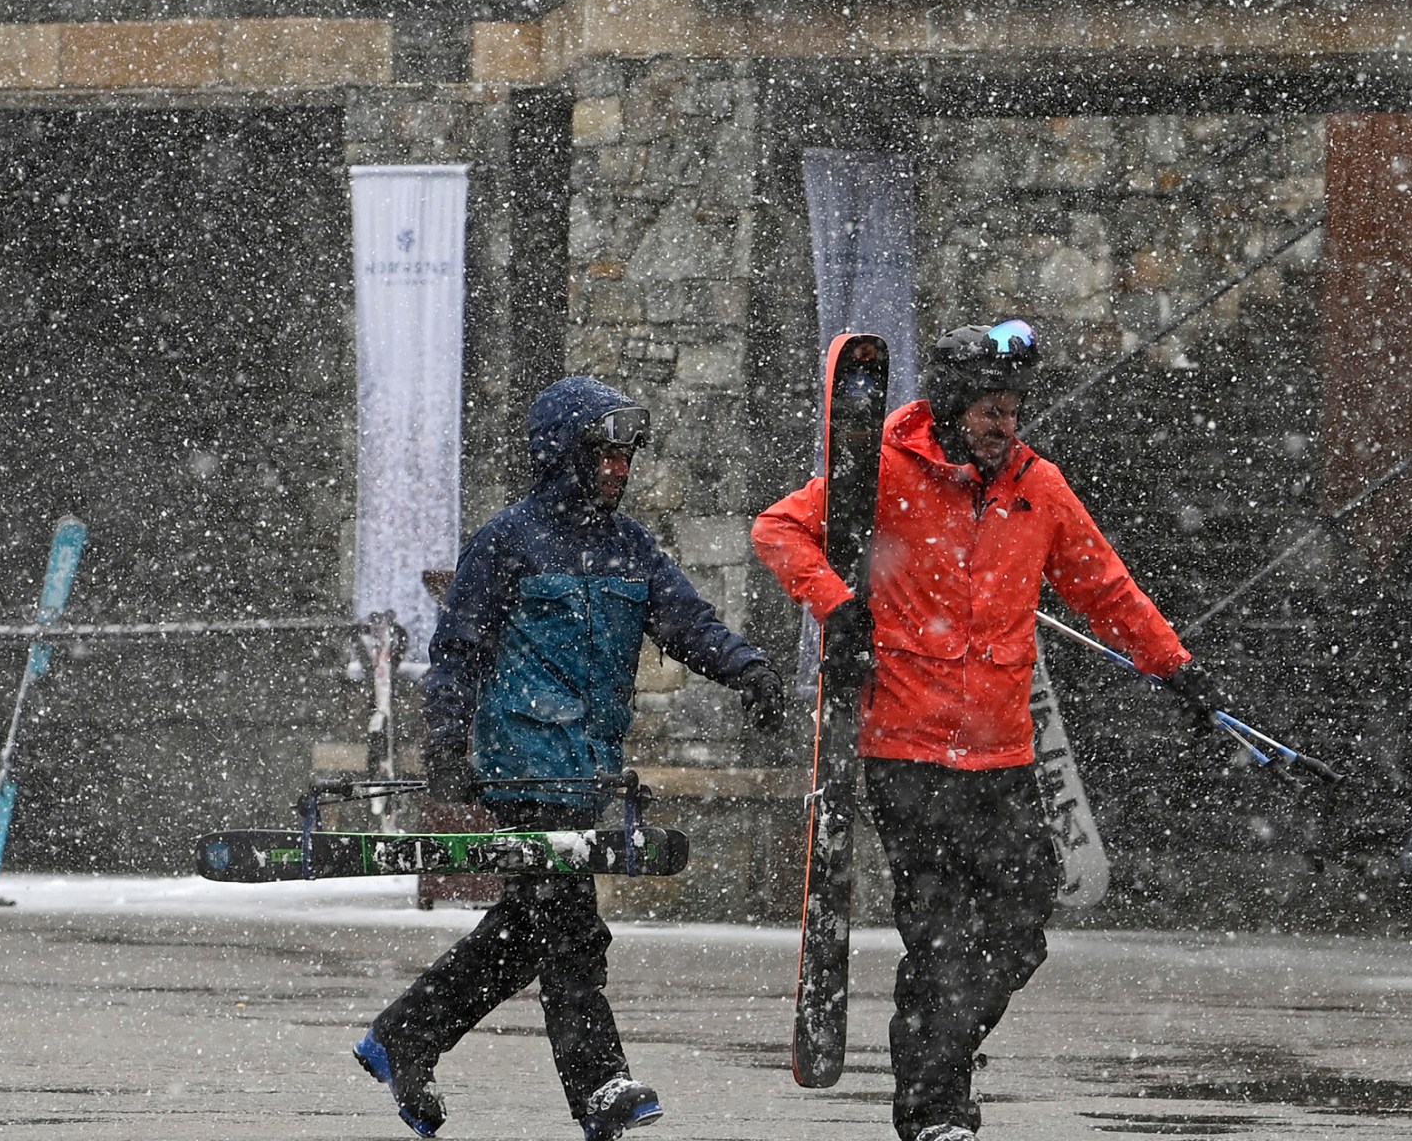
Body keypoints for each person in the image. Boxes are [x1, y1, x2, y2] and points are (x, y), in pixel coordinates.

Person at [753, 320, 1229, 1141]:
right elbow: (778, 530)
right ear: (950, 404)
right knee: (938, 934)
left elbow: (1105, 589)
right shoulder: (881, 472)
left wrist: (1173, 666)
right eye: (988, 408)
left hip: (1003, 752)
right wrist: (838, 607)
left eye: (1013, 408)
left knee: (1018, 928)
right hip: (905, 746)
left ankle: (937, 1059)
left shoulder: (1037, 487)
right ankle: (935, 1109)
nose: (1004, 424)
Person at [356, 376, 791, 1141]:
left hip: (585, 770)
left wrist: (748, 669)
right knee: (571, 930)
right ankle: (601, 1088)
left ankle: (405, 1037)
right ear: (564, 456)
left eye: (627, 459)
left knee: (525, 930)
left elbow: (688, 622)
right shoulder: (509, 542)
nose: (620, 472)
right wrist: (448, 745)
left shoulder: (632, 549)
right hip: (523, 765)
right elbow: (456, 652)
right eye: (606, 457)